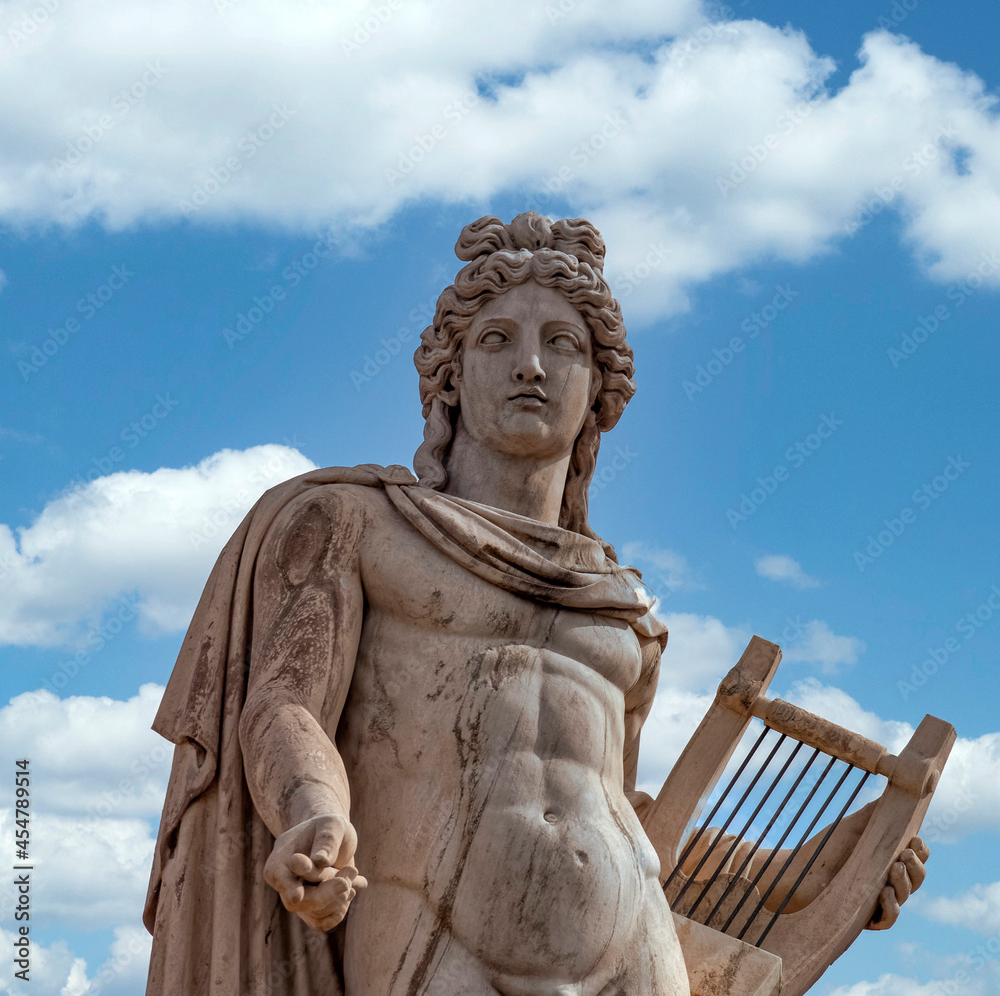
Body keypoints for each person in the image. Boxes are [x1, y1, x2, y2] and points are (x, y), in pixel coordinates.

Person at [144, 212, 924, 996]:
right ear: (449, 374)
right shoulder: (359, 524)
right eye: (495, 340)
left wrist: (794, 872)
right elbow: (282, 705)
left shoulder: (624, 611)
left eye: (562, 344)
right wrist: (312, 815)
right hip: (434, 936)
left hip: (632, 954)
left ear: (597, 394)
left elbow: (613, 807)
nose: (531, 366)